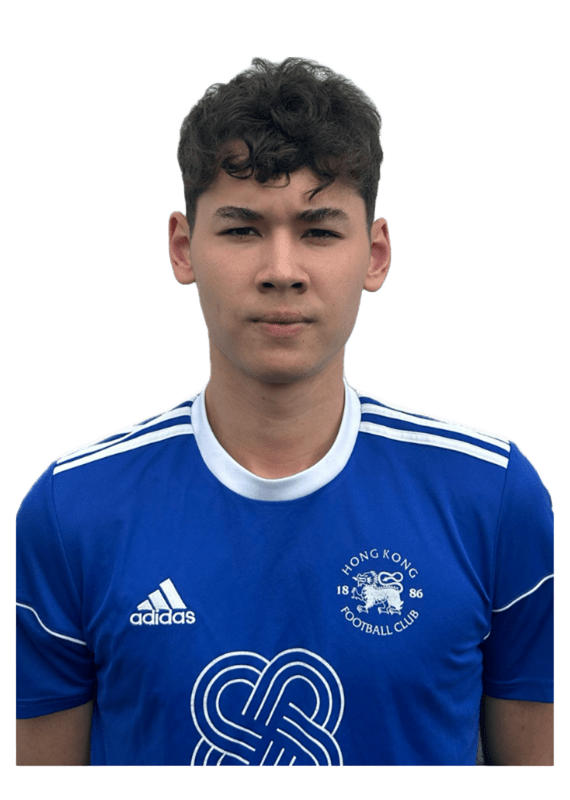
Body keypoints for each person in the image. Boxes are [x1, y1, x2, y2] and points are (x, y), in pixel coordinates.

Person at [16, 56, 554, 767]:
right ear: (182, 248)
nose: (281, 270)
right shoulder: (71, 509)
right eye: (242, 229)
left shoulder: (492, 494)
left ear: (376, 254)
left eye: (319, 231)